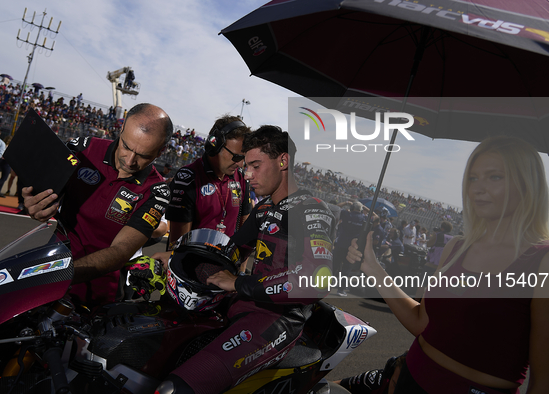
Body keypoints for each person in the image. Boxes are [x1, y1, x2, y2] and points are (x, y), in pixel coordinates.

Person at [346, 136, 549, 393]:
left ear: (527, 184)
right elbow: (421, 323)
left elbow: (548, 385)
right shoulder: (457, 247)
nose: (478, 188)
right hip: (408, 378)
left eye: (494, 177)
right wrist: (372, 268)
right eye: (473, 178)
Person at [155, 125, 335, 394]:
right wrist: (176, 264)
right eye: (245, 166)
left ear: (283, 161)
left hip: (277, 319)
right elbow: (230, 253)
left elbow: (314, 282)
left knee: (174, 388)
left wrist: (239, 284)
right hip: (239, 303)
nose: (246, 174)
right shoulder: (264, 208)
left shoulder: (312, 210)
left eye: (255, 165)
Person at [23, 103, 173, 307]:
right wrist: (35, 205)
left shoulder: (157, 191)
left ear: (161, 151)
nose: (129, 161)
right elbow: (40, 194)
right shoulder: (82, 148)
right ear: (121, 130)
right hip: (45, 265)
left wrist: (59, 275)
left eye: (144, 155)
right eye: (126, 146)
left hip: (97, 294)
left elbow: (121, 252)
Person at [165, 115, 252, 248]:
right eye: (236, 157)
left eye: (244, 158)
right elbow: (177, 245)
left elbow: (244, 231)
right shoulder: (187, 179)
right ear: (214, 146)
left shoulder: (241, 179)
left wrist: (240, 267)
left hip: (225, 266)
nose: (240, 164)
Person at [0, 128, 10, 197]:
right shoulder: (7, 146)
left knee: (4, 178)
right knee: (4, 178)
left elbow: (0, 154)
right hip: (5, 163)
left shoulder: (2, 143)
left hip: (3, 162)